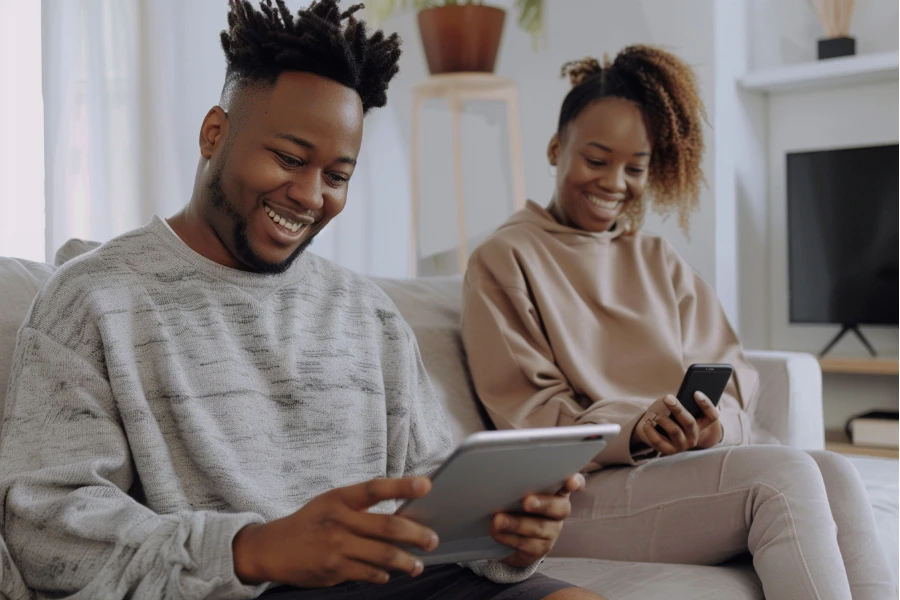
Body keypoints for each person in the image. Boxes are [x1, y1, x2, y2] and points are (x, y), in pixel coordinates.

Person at [0, 2, 606, 599]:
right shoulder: (94, 298)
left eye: (337, 176)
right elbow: (46, 528)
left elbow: (433, 496)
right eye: (288, 159)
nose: (310, 196)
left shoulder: (367, 315)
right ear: (215, 133)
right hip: (246, 589)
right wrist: (252, 550)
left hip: (409, 579)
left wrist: (503, 540)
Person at [461, 46, 895, 600]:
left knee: (833, 469)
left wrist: (716, 427)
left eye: (635, 168)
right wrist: (637, 427)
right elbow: (531, 418)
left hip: (682, 472)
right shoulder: (505, 258)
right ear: (556, 149)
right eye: (596, 160)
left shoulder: (658, 259)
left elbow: (733, 376)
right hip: (573, 495)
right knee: (781, 479)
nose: (615, 183)